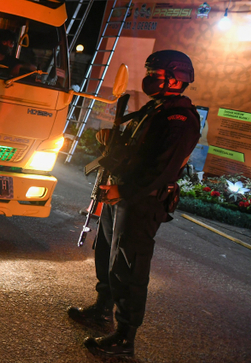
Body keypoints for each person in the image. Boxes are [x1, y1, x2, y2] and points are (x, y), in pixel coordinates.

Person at [67, 50, 201, 358]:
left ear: (175, 78)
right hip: (124, 196)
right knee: (107, 255)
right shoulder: (159, 109)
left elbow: (162, 169)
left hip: (142, 201)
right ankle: (102, 310)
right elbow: (139, 153)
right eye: (150, 71)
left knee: (130, 268)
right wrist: (110, 141)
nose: (150, 78)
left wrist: (123, 190)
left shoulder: (180, 118)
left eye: (156, 73)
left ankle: (125, 339)